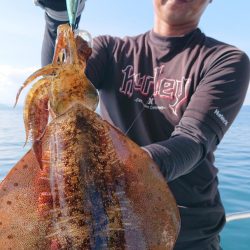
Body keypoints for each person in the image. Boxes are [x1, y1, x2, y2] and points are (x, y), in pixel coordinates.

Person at [35, 0, 250, 249]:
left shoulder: (225, 60)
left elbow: (194, 139)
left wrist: (114, 171)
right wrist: (57, 15)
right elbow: (60, 91)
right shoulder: (109, 49)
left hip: (189, 231)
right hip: (113, 224)